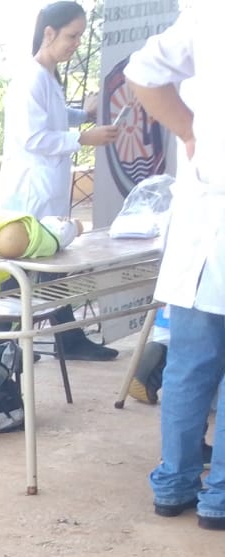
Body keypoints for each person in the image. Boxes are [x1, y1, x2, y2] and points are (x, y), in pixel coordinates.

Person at [126, 8, 225, 527]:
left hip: (201, 226)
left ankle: (174, 484)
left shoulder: (208, 15)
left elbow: (142, 71)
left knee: (190, 365)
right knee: (193, 366)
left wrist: (191, 132)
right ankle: (219, 498)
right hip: (205, 221)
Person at [0, 2, 121, 361]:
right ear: (48, 33)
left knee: (51, 263)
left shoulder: (49, 76)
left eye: (80, 37)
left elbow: (53, 115)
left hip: (48, 186)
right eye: (72, 36)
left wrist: (83, 114)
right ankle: (0, 344)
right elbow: (33, 137)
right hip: (29, 189)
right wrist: (85, 136)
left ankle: (65, 339)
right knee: (20, 269)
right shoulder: (31, 77)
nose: (76, 44)